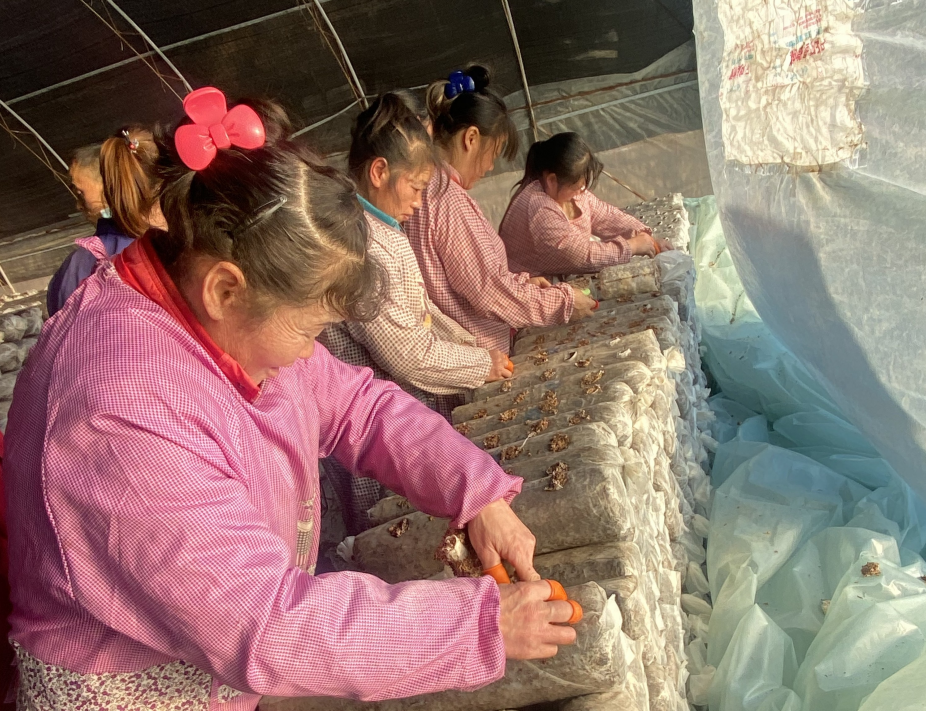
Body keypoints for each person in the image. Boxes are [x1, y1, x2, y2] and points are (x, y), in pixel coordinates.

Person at [4, 87, 576, 710]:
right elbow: (268, 626)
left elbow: (354, 405)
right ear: (225, 290)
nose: (310, 354)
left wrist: (475, 490)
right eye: (309, 330)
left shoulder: (212, 301)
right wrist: (477, 625)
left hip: (216, 660)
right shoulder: (118, 416)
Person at [321, 93, 514, 532]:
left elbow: (422, 311)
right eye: (415, 188)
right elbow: (407, 352)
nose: (419, 201)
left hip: (401, 415)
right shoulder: (364, 246)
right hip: (380, 430)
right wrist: (477, 363)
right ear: (379, 172)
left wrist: (472, 346)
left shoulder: (382, 227)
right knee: (395, 529)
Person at [404, 67, 598, 355]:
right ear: (471, 139)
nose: (490, 167)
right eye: (492, 154)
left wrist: (521, 283)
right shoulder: (446, 199)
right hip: (481, 352)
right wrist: (564, 303)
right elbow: (488, 292)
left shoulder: (430, 188)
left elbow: (474, 278)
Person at [499, 132, 670, 277]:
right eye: (576, 187)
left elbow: (606, 216)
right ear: (551, 180)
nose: (581, 191)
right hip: (529, 286)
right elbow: (579, 256)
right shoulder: (538, 207)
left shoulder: (570, 193)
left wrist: (646, 236)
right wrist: (632, 246)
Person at [46, 127, 165, 317]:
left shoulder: (84, 264)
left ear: (111, 186)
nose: (79, 205)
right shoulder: (186, 244)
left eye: (81, 192)